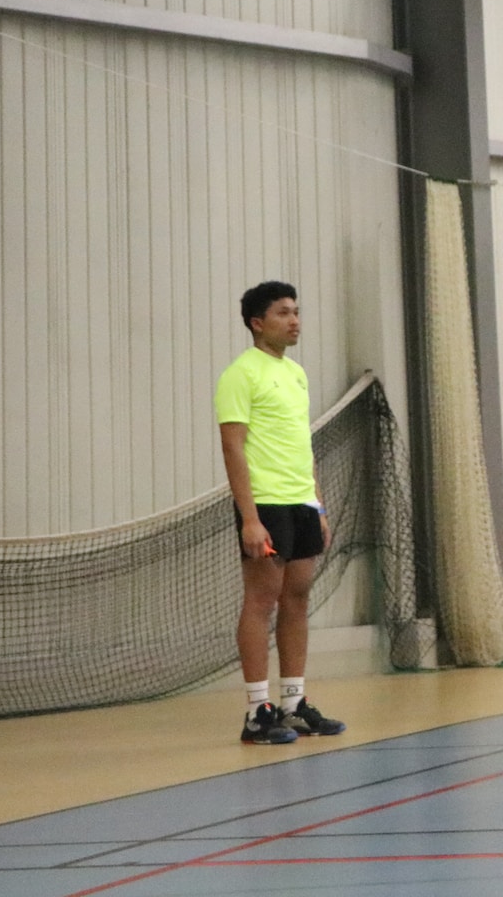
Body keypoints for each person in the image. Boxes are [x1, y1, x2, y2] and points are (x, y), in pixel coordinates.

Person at [216, 281, 347, 745]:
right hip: (266, 503)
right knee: (261, 600)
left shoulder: (296, 374)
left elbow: (301, 443)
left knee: (298, 598)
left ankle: (292, 704)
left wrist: (319, 504)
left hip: (301, 503)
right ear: (258, 322)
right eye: (283, 313)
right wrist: (249, 517)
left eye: (297, 311)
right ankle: (257, 712)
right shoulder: (241, 374)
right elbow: (232, 446)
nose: (294, 321)